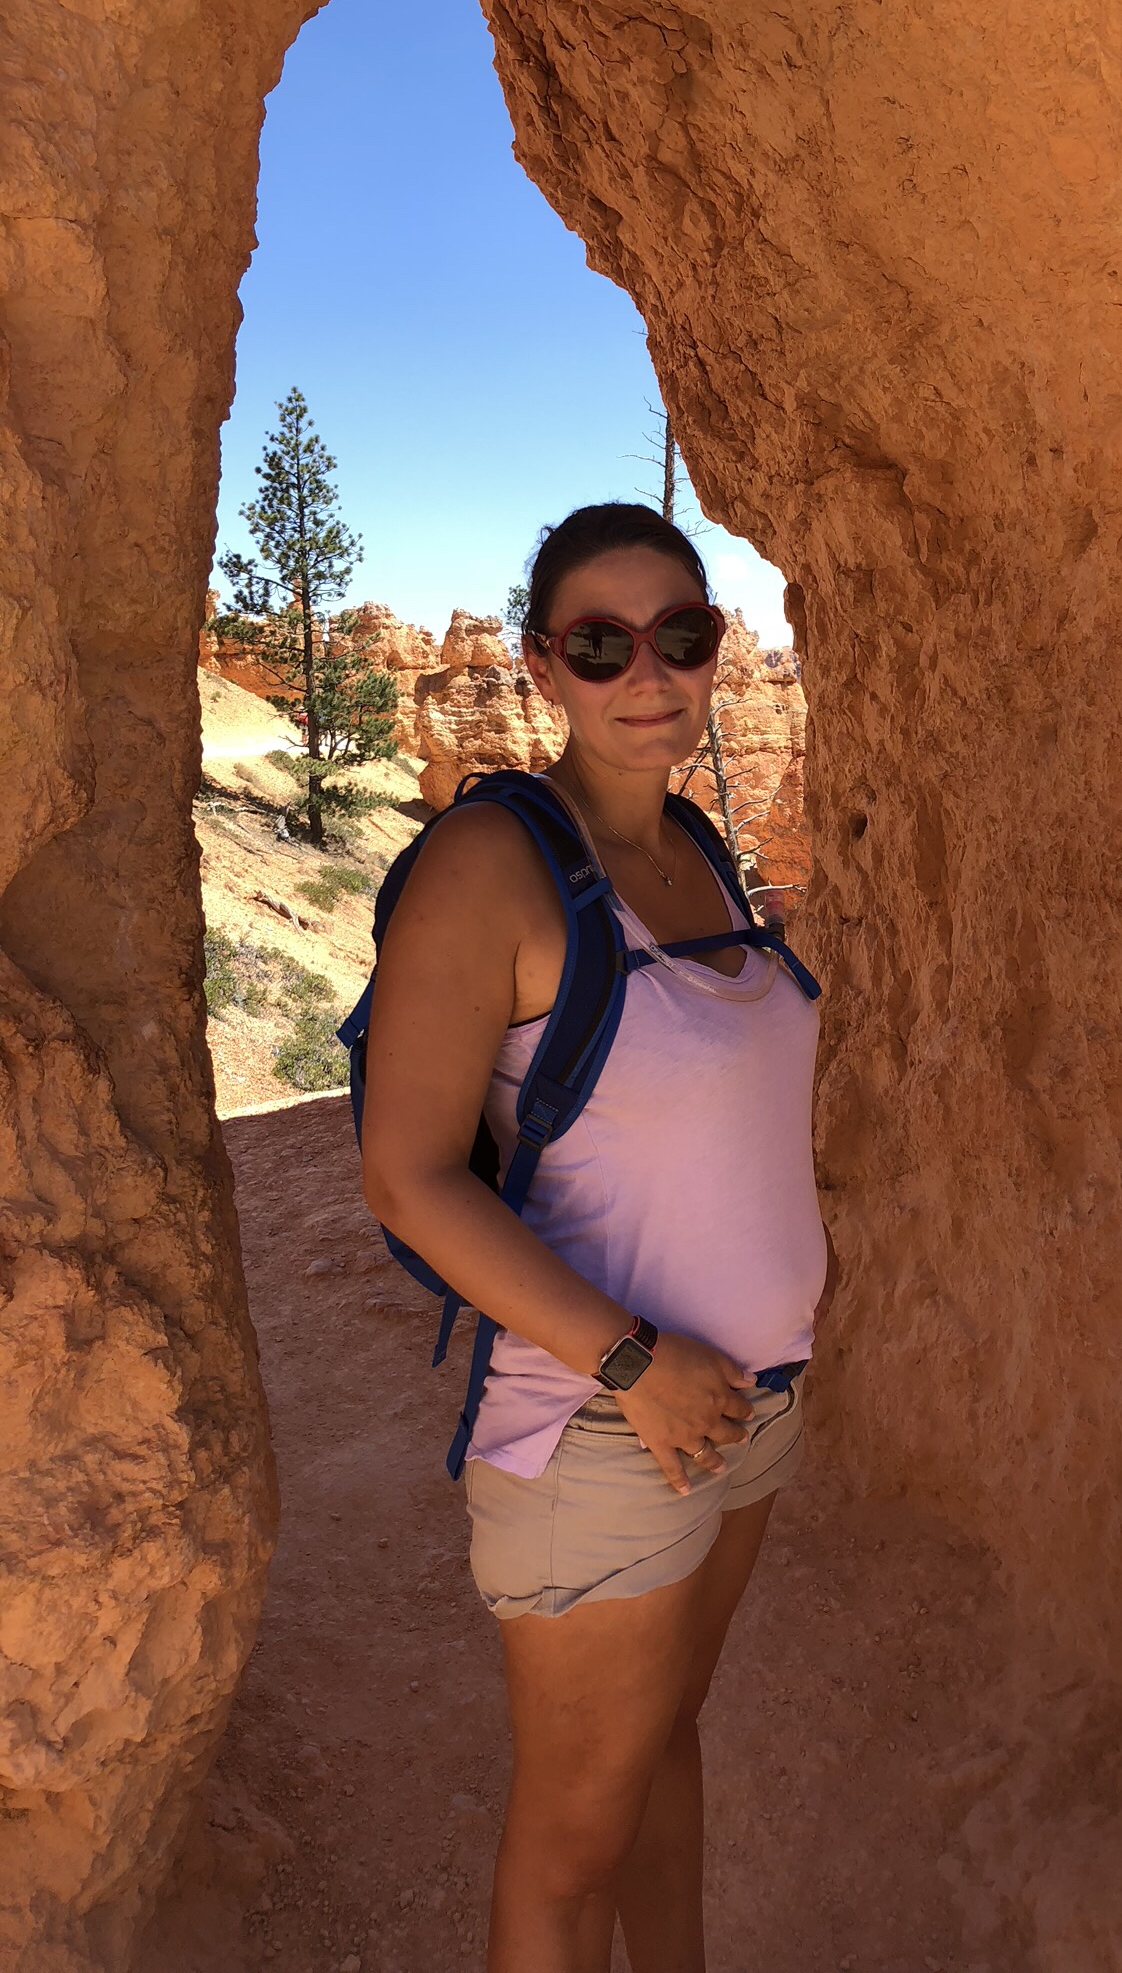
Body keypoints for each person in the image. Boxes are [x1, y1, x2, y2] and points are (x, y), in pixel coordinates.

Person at [359, 503, 833, 1973]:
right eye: (601, 644)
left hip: (747, 1406)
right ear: (540, 665)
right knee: (570, 1850)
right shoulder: (489, 866)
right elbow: (409, 1176)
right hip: (606, 1423)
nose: (649, 674)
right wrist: (633, 1361)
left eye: (681, 636)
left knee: (664, 1743)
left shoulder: (692, 843)